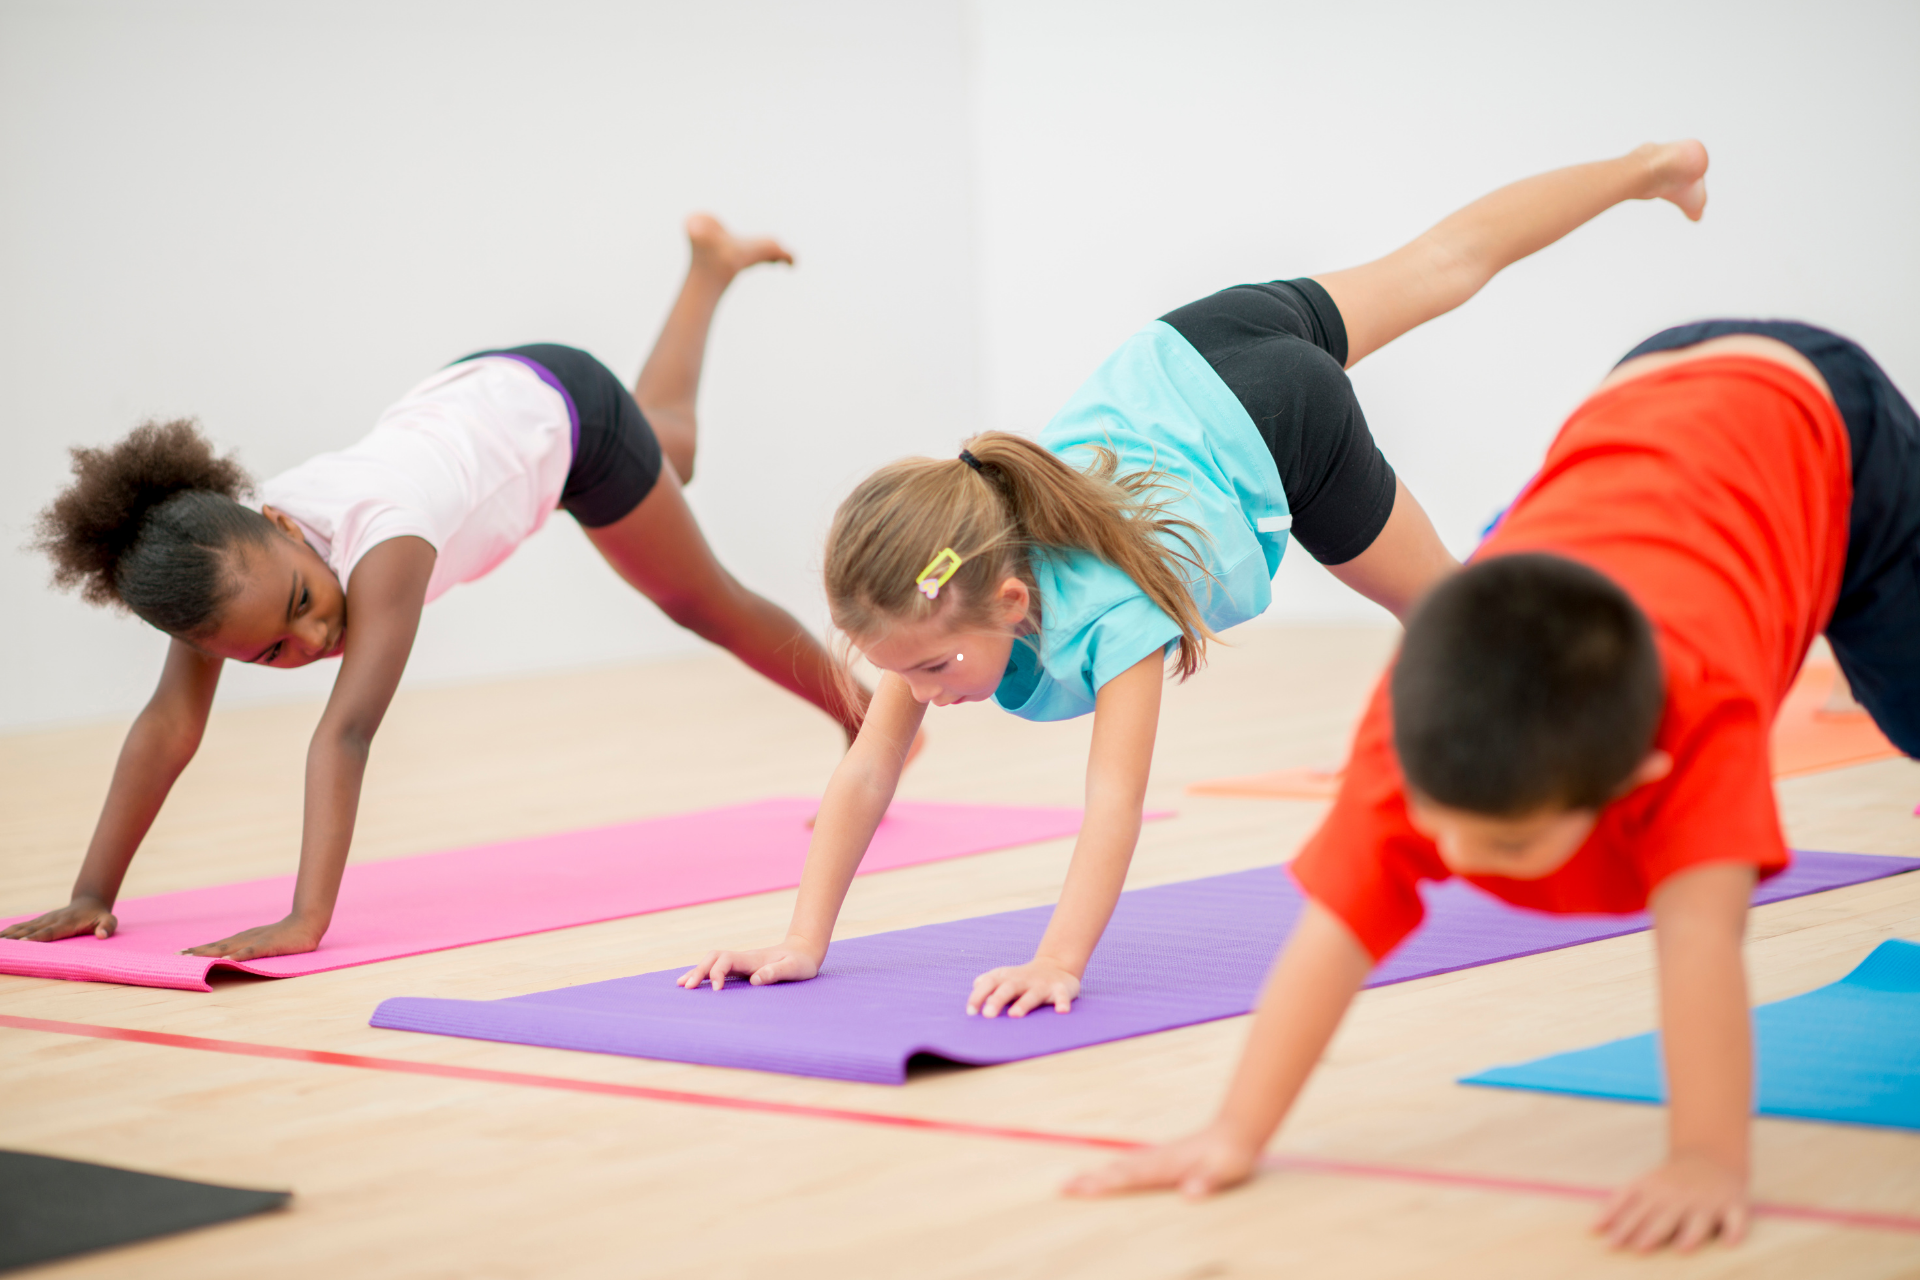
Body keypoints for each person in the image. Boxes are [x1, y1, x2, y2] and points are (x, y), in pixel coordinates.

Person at [677, 143, 1713, 1018]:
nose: (926, 691)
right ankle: (1651, 167)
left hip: (1279, 420)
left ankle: (1565, 556)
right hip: (1189, 348)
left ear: (1009, 599)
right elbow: (866, 770)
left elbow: (1114, 802)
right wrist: (801, 936)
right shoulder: (938, 594)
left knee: (1452, 614)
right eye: (902, 670)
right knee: (1442, 263)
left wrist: (1060, 960)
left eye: (937, 667)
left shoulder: (1105, 612)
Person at [1065, 319, 1920, 1253]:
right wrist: (1234, 1131)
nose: (1464, 865)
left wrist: (1707, 1160)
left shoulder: (1697, 726)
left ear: (1640, 778)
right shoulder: (1426, 715)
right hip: (1639, 396)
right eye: (1442, 829)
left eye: (1508, 843)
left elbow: (1702, 942)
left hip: (1821, 420)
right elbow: (1333, 934)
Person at [5, 216, 867, 962]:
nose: (310, 640)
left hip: (566, 416)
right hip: (479, 396)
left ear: (281, 522)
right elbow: (169, 725)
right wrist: (93, 892)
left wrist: (307, 919)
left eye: (304, 604)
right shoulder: (221, 574)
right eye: (271, 651)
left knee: (700, 598)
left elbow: (345, 733)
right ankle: (710, 268)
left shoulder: (386, 542)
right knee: (672, 446)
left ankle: (865, 719)